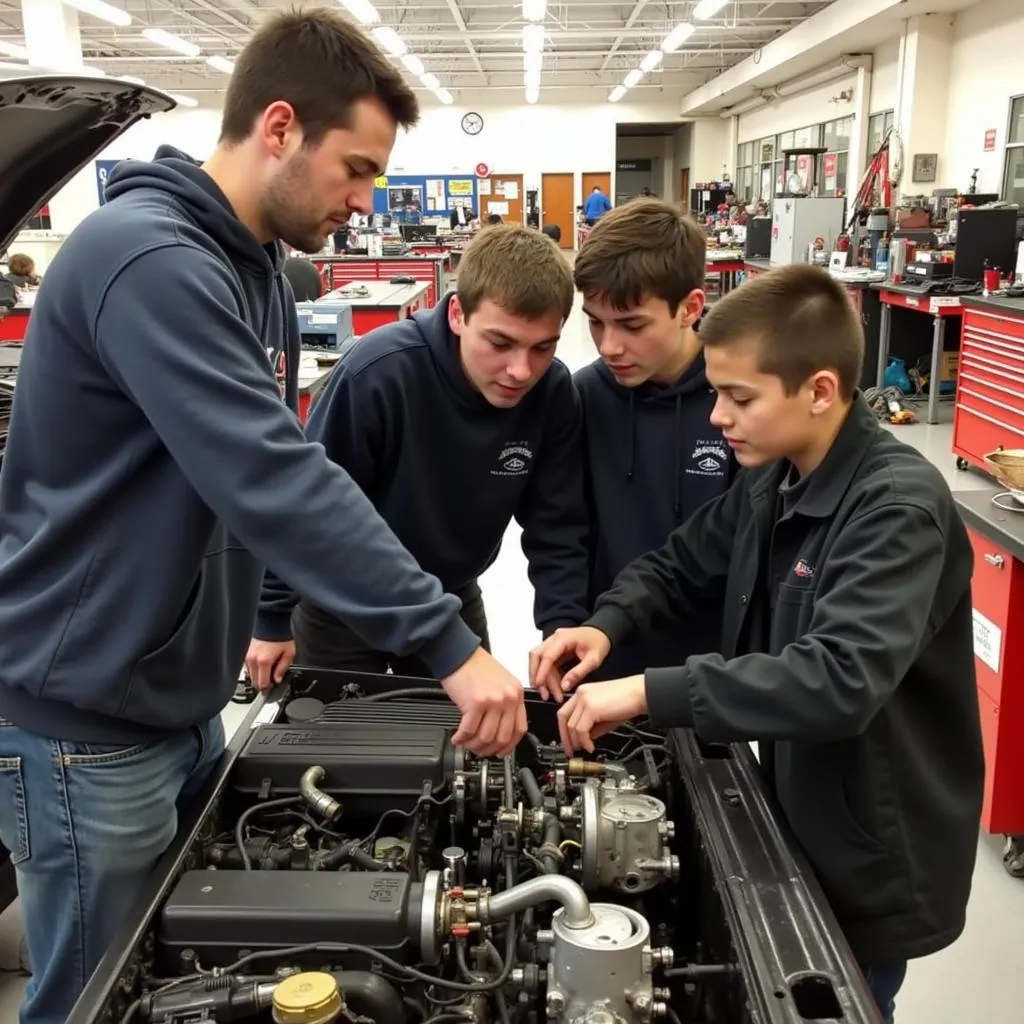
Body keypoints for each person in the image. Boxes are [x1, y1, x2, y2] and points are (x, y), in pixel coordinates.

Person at [0, 10, 525, 1024]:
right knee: (88, 999)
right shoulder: (144, 258)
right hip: (82, 728)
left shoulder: (260, 274)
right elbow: (272, 474)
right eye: (357, 168)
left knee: (181, 981)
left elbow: (251, 483)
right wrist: (448, 644)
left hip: (179, 705)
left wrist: (261, 626)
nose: (365, 200)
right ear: (279, 127)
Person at [529, 264, 985, 1024]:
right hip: (800, 808)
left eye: (739, 398)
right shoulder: (775, 475)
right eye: (716, 392)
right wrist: (601, 627)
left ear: (819, 391)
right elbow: (682, 562)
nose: (716, 416)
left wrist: (649, 690)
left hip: (871, 846)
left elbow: (839, 678)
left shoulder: (897, 508)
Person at [246, 224, 589, 683]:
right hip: (343, 602)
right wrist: (269, 616)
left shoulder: (552, 392)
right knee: (326, 744)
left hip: (448, 594)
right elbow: (306, 500)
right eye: (500, 343)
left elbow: (557, 523)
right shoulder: (379, 373)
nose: (520, 370)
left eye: (543, 347)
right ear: (456, 315)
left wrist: (562, 625)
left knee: (469, 745)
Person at [571, 198, 737, 679]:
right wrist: (564, 627)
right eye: (596, 321)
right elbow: (564, 531)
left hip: (709, 667)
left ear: (690, 307)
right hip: (604, 650)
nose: (608, 346)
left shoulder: (738, 399)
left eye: (631, 325)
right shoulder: (585, 395)